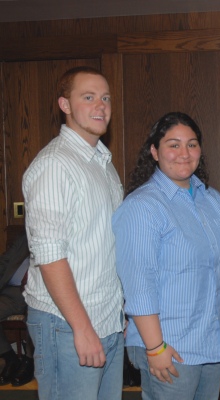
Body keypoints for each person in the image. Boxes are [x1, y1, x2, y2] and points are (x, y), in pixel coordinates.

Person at [112, 111, 220, 400]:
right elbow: (139, 285)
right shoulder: (143, 207)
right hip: (168, 345)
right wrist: (156, 348)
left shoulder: (213, 199)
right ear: (155, 152)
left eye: (192, 144)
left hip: (211, 339)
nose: (184, 153)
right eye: (173, 144)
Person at [22, 66, 125, 399]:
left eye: (105, 98)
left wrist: (117, 314)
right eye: (89, 97)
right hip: (66, 325)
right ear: (65, 105)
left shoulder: (101, 163)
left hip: (105, 319)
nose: (101, 106)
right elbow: (50, 255)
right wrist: (82, 328)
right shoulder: (55, 165)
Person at [0, 231, 34, 387]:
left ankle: (29, 361)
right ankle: (9, 358)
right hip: (12, 293)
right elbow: (5, 261)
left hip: (38, 293)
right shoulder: (24, 239)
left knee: (35, 315)